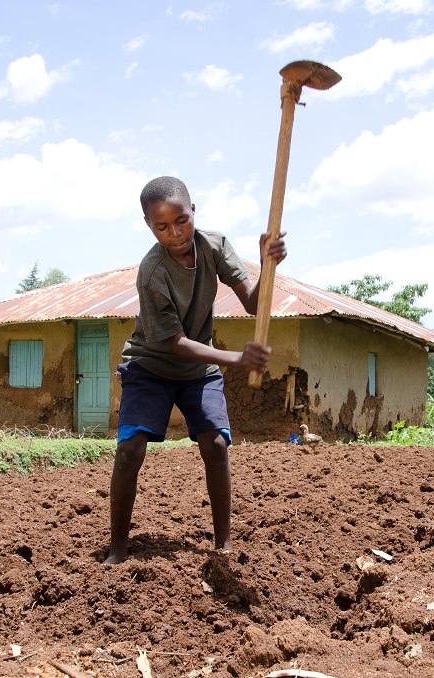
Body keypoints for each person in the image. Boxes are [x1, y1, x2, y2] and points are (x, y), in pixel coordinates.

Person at [104, 176, 287, 565]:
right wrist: (236, 358)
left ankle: (223, 545)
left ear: (194, 211)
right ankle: (118, 547)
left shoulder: (214, 246)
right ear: (149, 226)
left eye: (181, 220)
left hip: (197, 371)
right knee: (129, 449)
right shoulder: (152, 271)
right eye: (162, 226)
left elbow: (255, 304)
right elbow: (176, 343)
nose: (175, 233)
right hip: (151, 364)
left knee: (216, 445)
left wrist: (267, 265)